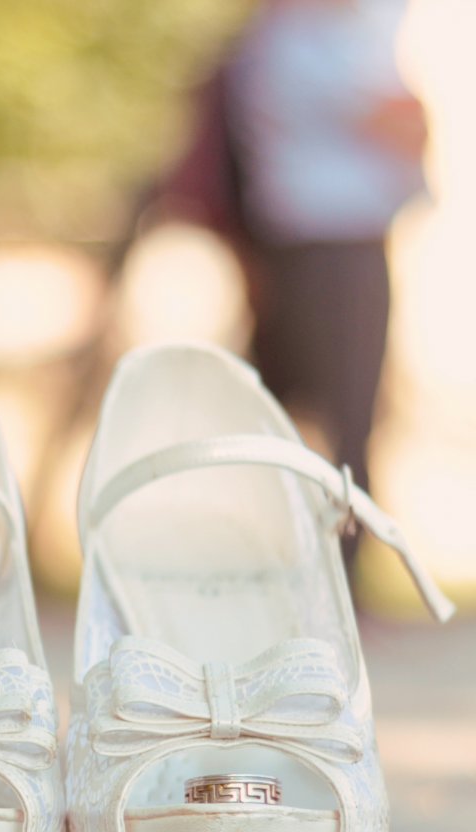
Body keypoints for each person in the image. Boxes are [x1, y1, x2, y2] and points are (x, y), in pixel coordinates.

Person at [226, 0, 429, 566]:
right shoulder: (299, 40)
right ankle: (326, 577)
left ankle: (338, 575)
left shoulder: (327, 32)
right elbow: (399, 122)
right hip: (323, 248)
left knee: (339, 417)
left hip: (334, 242)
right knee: (338, 418)